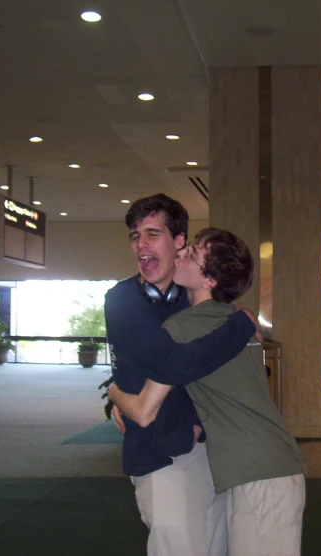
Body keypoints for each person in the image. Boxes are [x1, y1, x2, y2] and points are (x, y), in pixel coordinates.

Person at [109, 227, 307, 556]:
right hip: (264, 467)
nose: (182, 254)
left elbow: (144, 409)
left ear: (210, 280)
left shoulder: (185, 327)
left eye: (193, 254)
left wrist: (115, 393)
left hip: (259, 472)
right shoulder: (234, 319)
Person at [104, 194, 257, 556]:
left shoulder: (197, 297)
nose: (140, 244)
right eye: (134, 235)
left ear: (178, 242)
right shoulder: (123, 300)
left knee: (217, 547)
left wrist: (195, 424)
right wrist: (241, 325)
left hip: (213, 452)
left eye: (152, 234)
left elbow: (219, 375)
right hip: (160, 457)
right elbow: (172, 365)